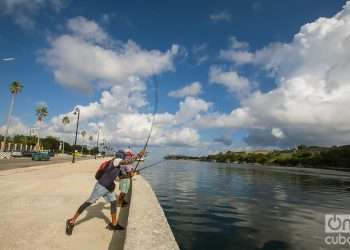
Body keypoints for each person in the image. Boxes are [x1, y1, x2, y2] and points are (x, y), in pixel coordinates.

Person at [65, 149, 145, 235]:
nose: (125, 157)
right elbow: (127, 161)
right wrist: (138, 156)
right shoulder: (116, 160)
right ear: (121, 156)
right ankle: (71, 221)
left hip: (108, 187)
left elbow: (121, 177)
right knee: (88, 203)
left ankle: (113, 224)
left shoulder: (117, 164)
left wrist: (131, 174)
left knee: (113, 202)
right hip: (101, 187)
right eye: (124, 156)